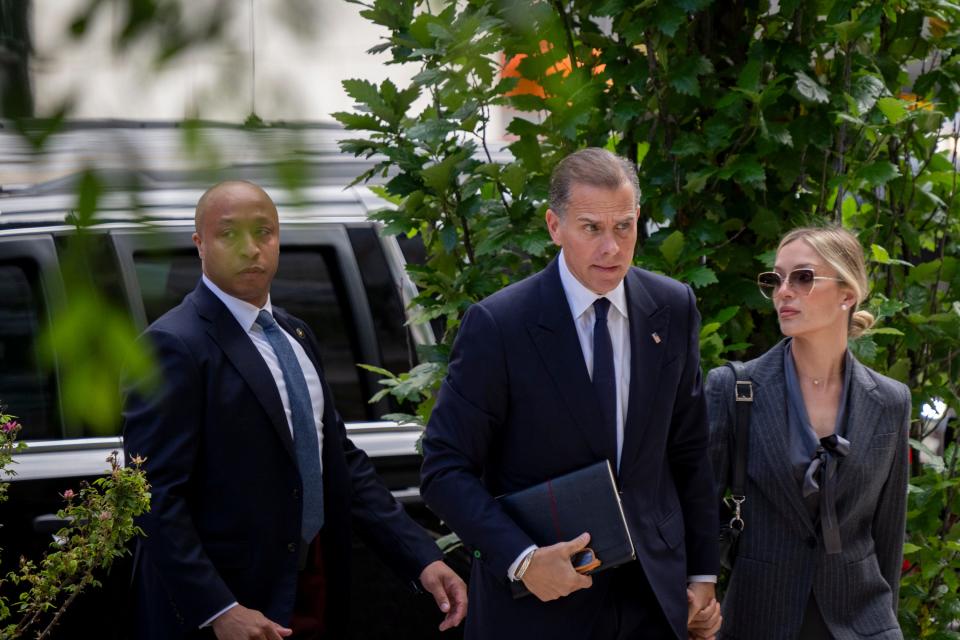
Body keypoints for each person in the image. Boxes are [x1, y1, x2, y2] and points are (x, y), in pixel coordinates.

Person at [123, 180, 467, 640]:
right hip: (222, 614)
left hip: (308, 588)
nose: (251, 248)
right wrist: (220, 609)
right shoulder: (172, 346)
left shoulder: (295, 334)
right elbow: (154, 497)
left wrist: (421, 556)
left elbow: (338, 461)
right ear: (199, 244)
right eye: (229, 234)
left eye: (264, 232)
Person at [420, 147, 721, 640]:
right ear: (554, 227)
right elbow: (443, 468)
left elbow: (688, 453)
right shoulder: (500, 325)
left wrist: (702, 576)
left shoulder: (672, 306)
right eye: (591, 228)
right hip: (541, 606)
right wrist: (523, 559)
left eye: (624, 226)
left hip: (654, 600)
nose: (612, 248)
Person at [706, 226, 910, 640]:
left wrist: (883, 620)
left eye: (802, 277)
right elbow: (699, 506)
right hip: (759, 616)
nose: (783, 291)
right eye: (775, 279)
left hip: (862, 622)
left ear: (847, 294)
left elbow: (889, 532)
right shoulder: (734, 389)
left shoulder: (891, 401)